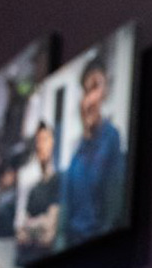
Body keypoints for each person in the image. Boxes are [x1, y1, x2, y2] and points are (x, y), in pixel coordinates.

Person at [59, 51, 127, 248]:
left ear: (105, 92)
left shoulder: (112, 138)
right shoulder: (77, 150)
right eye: (86, 90)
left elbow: (113, 211)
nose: (90, 98)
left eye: (96, 87)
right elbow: (67, 206)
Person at [16, 122, 61, 255]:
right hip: (28, 239)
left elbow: (51, 226)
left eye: (46, 140)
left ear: (52, 142)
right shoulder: (26, 175)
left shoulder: (55, 176)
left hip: (45, 240)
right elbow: (21, 218)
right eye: (39, 140)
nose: (41, 145)